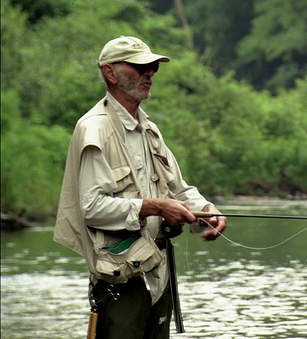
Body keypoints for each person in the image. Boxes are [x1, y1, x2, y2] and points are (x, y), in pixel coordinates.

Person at [54, 36, 227, 338]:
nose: (150, 73)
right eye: (140, 66)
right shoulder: (93, 128)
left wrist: (207, 212)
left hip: (159, 274)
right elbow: (92, 208)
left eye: (153, 67)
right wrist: (154, 207)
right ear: (110, 72)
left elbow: (179, 189)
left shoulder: (149, 128)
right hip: (120, 280)